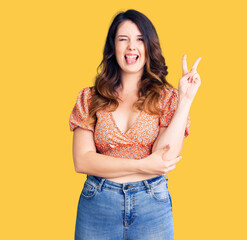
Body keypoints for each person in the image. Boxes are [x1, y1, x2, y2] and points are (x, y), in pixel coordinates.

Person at [69, 9, 201, 240]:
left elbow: (166, 157)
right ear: (113, 48)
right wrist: (144, 165)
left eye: (140, 39)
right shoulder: (90, 98)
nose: (131, 46)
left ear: (149, 47)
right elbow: (82, 161)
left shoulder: (167, 97)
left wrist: (185, 100)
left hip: (151, 204)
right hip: (98, 204)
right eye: (123, 39)